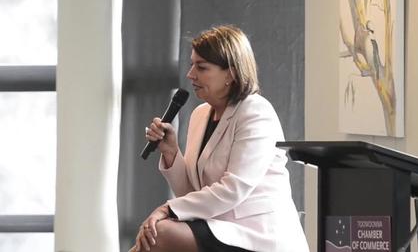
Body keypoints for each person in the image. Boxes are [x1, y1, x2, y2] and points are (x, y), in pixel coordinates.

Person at [130, 25, 309, 252]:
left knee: (160, 232)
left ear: (231, 73)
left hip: (259, 236)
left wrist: (167, 209)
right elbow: (192, 196)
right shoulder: (200, 114)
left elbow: (233, 189)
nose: (190, 74)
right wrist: (171, 153)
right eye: (192, 64)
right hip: (218, 226)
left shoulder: (256, 112)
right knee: (156, 235)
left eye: (201, 67)